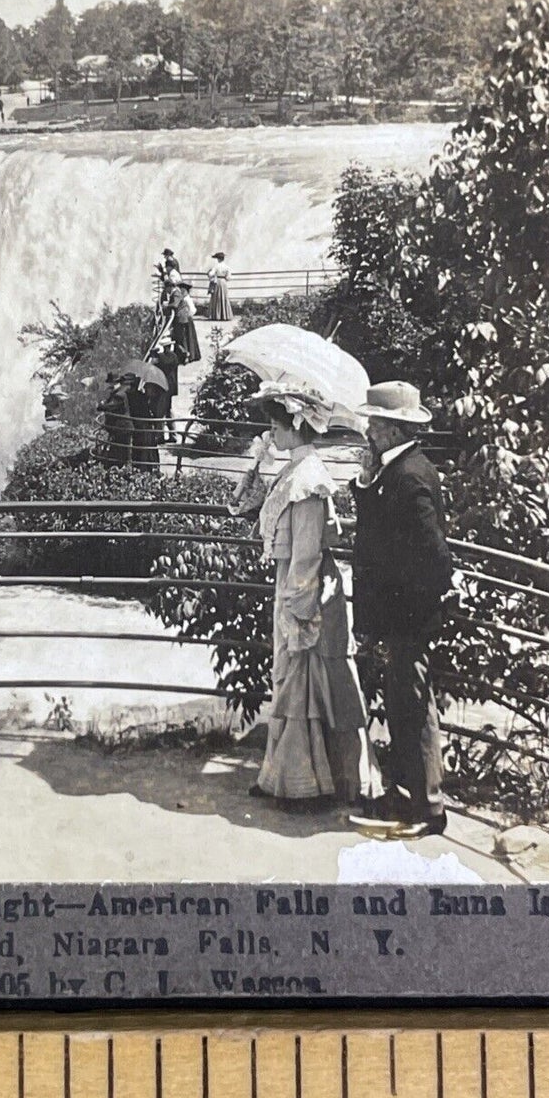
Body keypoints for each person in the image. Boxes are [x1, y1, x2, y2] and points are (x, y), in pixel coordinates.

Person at [232, 388, 366, 805]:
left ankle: (305, 783)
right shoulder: (292, 471)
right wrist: (252, 476)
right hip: (287, 582)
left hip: (303, 589)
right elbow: (264, 522)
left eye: (275, 426)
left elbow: (307, 550)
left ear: (295, 425)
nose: (269, 433)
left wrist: (298, 607)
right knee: (288, 679)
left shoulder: (309, 479)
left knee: (302, 682)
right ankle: (280, 776)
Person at [347, 381, 453, 837]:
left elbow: (433, 558)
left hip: (409, 617)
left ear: (391, 428)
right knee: (409, 704)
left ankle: (426, 811)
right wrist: (365, 483)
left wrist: (407, 608)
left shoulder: (410, 478)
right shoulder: (398, 470)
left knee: (410, 706)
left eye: (373, 422)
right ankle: (417, 797)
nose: (367, 429)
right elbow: (379, 530)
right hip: (402, 616)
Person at [97, 373, 136, 466]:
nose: (110, 386)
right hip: (120, 428)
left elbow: (109, 407)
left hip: (123, 428)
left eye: (112, 383)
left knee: (122, 452)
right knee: (119, 451)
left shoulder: (119, 395)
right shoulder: (116, 393)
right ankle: (119, 467)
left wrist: (101, 405)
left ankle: (123, 468)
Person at [169, 281, 201, 365]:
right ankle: (188, 355)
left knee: (187, 338)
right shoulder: (183, 297)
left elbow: (193, 310)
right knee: (186, 338)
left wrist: (188, 314)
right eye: (181, 289)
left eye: (183, 289)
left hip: (187, 319)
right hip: (186, 319)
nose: (182, 291)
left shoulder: (187, 299)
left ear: (186, 290)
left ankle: (188, 355)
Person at [207, 251, 233, 321]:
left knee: (216, 298)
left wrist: (210, 273)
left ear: (218, 259)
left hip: (217, 281)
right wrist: (225, 278)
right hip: (223, 282)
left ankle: (217, 315)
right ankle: (225, 315)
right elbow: (229, 277)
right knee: (224, 297)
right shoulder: (227, 267)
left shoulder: (216, 266)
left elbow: (210, 274)